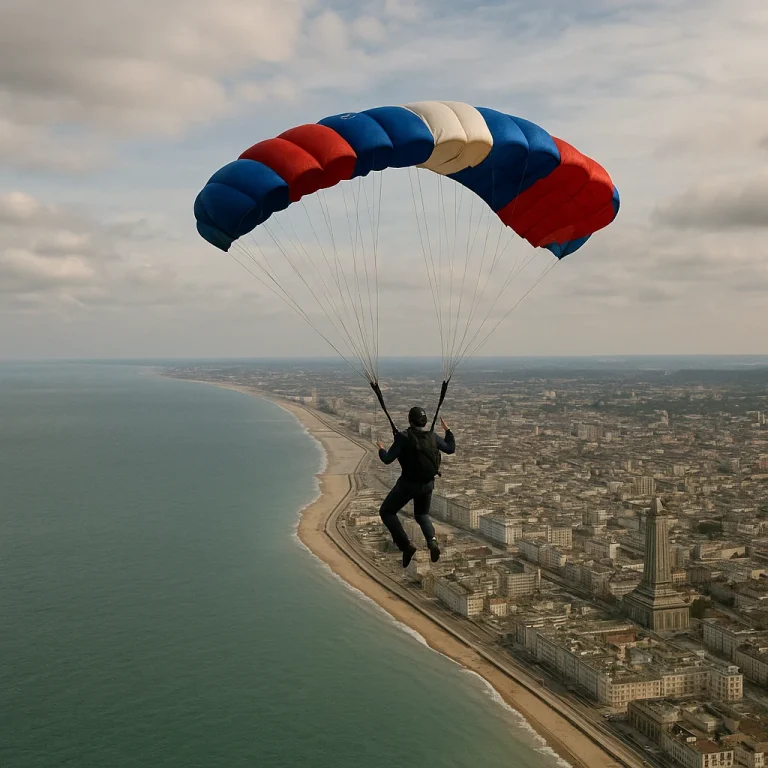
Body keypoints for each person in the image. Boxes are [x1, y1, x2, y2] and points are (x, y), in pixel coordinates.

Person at [376, 406, 456, 568]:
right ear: (425, 422)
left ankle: (406, 546)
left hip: (407, 485)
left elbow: (387, 459)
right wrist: (448, 431)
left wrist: (381, 449)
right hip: (427, 485)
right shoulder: (432, 437)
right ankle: (432, 542)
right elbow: (450, 448)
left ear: (409, 421)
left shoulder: (403, 438)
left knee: (387, 511)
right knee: (422, 515)